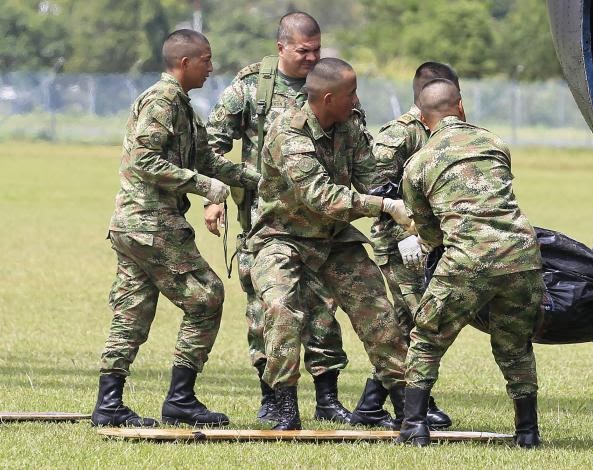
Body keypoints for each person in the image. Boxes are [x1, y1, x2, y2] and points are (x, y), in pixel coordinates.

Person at [91, 29, 261, 428]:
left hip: (135, 226)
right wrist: (203, 186)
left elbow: (206, 159)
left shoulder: (181, 105)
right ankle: (181, 398)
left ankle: (108, 404)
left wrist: (259, 180)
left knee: (132, 312)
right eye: (206, 59)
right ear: (184, 63)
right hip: (151, 223)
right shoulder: (163, 100)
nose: (211, 67)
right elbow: (144, 161)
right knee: (207, 297)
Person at [247, 57, 411, 430]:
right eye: (350, 93)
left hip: (334, 238)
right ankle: (284, 404)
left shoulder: (350, 126)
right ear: (327, 97)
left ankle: (407, 403)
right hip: (282, 236)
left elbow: (373, 178)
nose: (356, 100)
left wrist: (408, 210)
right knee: (281, 309)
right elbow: (320, 196)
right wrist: (383, 205)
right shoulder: (287, 132)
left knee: (378, 311)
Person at [205, 12, 351, 425]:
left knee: (323, 309)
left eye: (317, 50)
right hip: (263, 221)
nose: (311, 58)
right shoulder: (253, 87)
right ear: (281, 47)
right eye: (304, 51)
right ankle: (273, 397)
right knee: (268, 309)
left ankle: (328, 398)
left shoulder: (327, 83)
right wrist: (217, 194)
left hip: (321, 220)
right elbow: (211, 144)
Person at [397, 79, 545, 447]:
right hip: (522, 257)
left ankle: (414, 427)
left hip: (467, 260)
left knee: (427, 338)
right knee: (515, 346)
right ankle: (527, 433)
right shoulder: (496, 143)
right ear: (460, 107)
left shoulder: (418, 165)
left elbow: (430, 233)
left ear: (421, 117)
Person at [352, 62, 459, 429]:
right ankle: (420, 402)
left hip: (424, 240)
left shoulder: (438, 131)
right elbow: (376, 192)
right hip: (400, 244)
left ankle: (369, 405)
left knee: (402, 322)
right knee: (419, 320)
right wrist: (408, 235)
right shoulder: (399, 135)